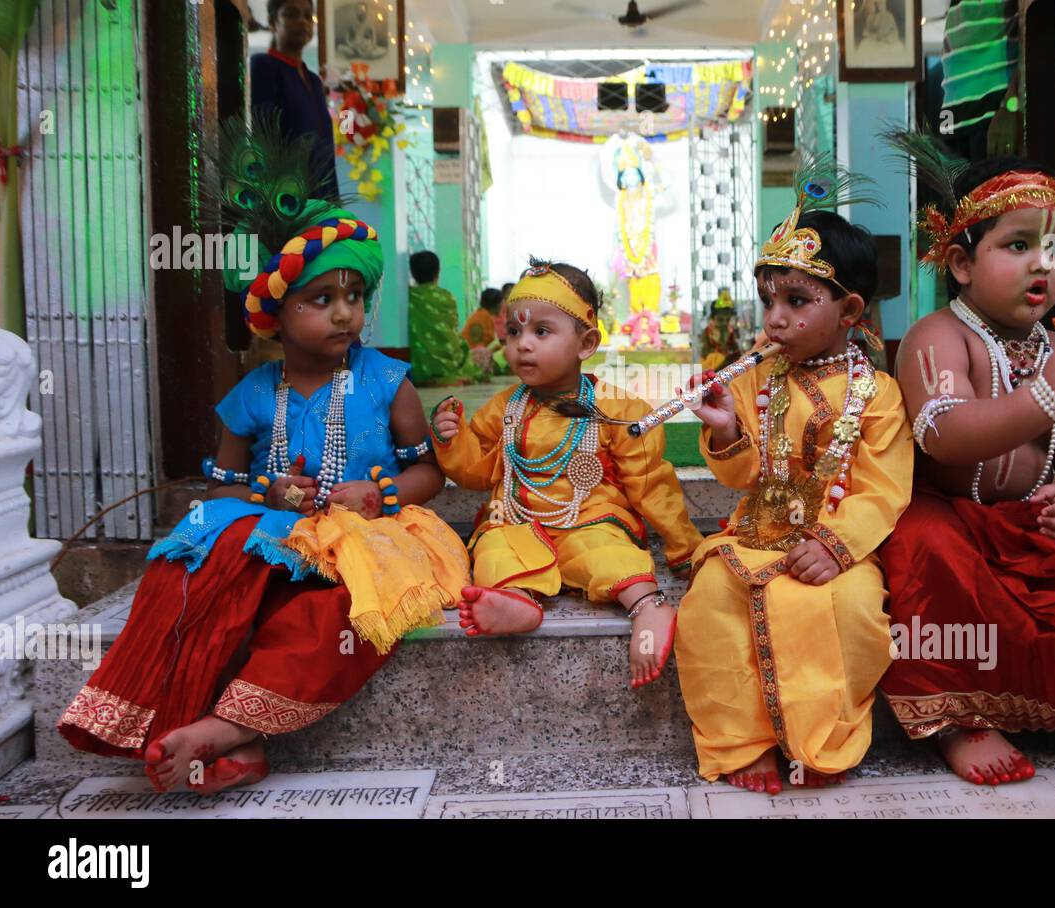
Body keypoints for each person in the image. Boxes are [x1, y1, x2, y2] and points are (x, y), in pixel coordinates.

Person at [57, 120, 469, 793]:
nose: (345, 315)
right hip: (279, 536)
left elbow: (429, 471)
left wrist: (381, 496)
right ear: (276, 316)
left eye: (355, 298)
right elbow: (222, 492)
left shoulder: (388, 383)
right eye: (322, 300)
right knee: (192, 561)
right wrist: (267, 494)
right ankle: (210, 740)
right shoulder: (252, 395)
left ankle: (221, 733)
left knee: (337, 616)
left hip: (369, 541)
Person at [880, 149, 1055, 787]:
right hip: (956, 516)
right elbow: (947, 436)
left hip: (1034, 518)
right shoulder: (937, 338)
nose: (1042, 263)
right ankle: (961, 718)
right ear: (960, 263)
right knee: (923, 548)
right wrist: (1051, 392)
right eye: (1017, 245)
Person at [676, 168, 914, 795]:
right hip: (753, 537)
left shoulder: (878, 393)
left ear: (850, 311)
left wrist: (836, 547)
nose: (775, 319)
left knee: (854, 610)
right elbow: (740, 474)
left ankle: (818, 744)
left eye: (797, 302)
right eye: (769, 302)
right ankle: (744, 743)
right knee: (708, 607)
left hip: (835, 550)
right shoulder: (758, 379)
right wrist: (726, 430)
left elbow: (884, 488)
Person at [431, 259, 702, 688]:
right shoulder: (504, 408)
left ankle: (648, 605)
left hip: (590, 520)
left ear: (586, 342)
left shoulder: (617, 409)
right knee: (493, 547)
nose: (523, 345)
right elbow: (477, 471)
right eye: (515, 331)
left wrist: (684, 547)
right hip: (517, 519)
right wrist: (453, 441)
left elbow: (652, 485)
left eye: (542, 331)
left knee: (606, 553)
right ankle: (518, 599)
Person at [250, 0, 339, 199]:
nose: (303, 21)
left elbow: (323, 143)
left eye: (308, 16)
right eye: (291, 14)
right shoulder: (263, 66)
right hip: (288, 194)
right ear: (273, 23)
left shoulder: (315, 81)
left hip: (323, 190)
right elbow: (264, 134)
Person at [407, 250, 481, 385]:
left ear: (412, 273)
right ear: (438, 272)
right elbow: (451, 329)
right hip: (449, 362)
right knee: (465, 348)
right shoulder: (447, 297)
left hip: (419, 367)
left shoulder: (409, 297)